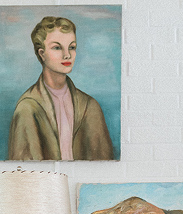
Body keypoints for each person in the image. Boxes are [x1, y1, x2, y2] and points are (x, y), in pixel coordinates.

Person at [8, 16, 114, 161]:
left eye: (72, 47)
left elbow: (104, 163)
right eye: (57, 47)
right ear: (42, 53)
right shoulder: (28, 107)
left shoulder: (90, 106)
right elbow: (25, 170)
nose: (67, 55)